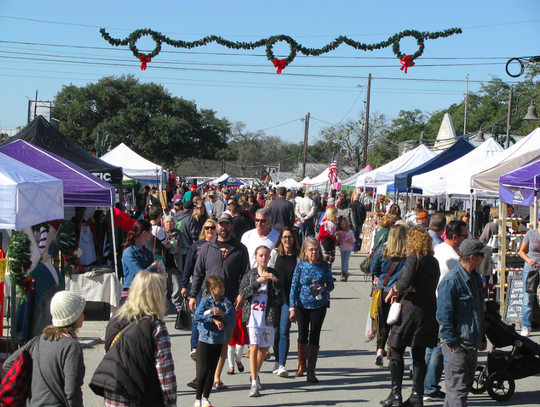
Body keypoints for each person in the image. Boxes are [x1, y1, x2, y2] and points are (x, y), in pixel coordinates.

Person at [90, 271, 177, 407]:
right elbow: (165, 373)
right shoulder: (156, 326)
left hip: (113, 390)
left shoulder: (115, 320)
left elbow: (109, 354)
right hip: (137, 395)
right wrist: (170, 403)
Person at [190, 213, 250, 390]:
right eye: (220, 225)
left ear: (231, 227)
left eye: (226, 225)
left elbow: (246, 274)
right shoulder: (207, 248)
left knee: (223, 339)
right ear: (216, 227)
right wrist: (193, 295)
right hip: (207, 301)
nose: (223, 227)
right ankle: (199, 376)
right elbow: (198, 272)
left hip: (229, 301)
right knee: (204, 339)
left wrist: (242, 294)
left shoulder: (240, 249)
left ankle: (216, 377)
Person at [382, 227, 440, 407]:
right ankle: (416, 394)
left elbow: (405, 281)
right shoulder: (433, 261)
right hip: (428, 310)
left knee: (396, 347)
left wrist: (393, 289)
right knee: (419, 352)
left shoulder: (414, 258)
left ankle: (396, 394)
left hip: (411, 309)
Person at [4, 291, 86, 407]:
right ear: (74, 315)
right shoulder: (71, 346)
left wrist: (33, 386)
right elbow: (72, 391)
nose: (84, 315)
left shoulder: (36, 341)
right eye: (84, 311)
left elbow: (8, 364)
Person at [437, 239, 488, 407]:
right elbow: (444, 316)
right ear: (472, 257)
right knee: (457, 390)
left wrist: (481, 337)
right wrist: (453, 344)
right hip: (457, 345)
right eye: (482, 255)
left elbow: (478, 310)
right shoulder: (451, 281)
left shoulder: (475, 277)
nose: (484, 259)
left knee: (462, 389)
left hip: (471, 342)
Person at [423, 220, 468, 403]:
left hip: (432, 300)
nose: (466, 239)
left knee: (431, 346)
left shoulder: (439, 248)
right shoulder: (453, 258)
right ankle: (430, 387)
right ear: (455, 237)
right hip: (442, 303)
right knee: (439, 348)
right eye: (464, 236)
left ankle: (424, 384)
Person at [289, 237, 335, 383]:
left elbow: (331, 285)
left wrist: (324, 288)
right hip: (302, 305)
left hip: (319, 305)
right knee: (303, 335)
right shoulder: (301, 266)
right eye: (311, 249)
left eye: (316, 249)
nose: (314, 252)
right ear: (305, 252)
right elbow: (294, 287)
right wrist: (292, 307)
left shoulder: (324, 265)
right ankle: (301, 365)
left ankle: (311, 370)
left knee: (315, 334)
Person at [239, 246, 282, 397]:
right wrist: (258, 282)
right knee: (254, 347)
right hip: (253, 317)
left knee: (264, 349)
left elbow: (279, 295)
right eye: (261, 255)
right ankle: (253, 383)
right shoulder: (250, 274)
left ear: (270, 257)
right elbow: (243, 293)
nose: (263, 258)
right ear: (256, 257)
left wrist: (275, 281)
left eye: (266, 255)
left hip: (267, 315)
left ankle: (255, 373)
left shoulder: (273, 273)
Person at [193, 276, 235, 407]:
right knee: (204, 370)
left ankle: (206, 398)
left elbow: (230, 320)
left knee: (212, 370)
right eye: (220, 287)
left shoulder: (226, 302)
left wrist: (222, 315)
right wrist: (213, 318)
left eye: (223, 286)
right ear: (212, 289)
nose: (223, 289)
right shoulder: (205, 301)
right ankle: (197, 399)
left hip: (218, 339)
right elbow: (197, 316)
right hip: (205, 338)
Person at [370, 225, 408, 367]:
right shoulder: (407, 254)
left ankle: (380, 349)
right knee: (396, 323)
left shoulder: (382, 251)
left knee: (383, 323)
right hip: (400, 292)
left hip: (383, 289)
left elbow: (374, 269)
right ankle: (392, 350)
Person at [268, 226, 301, 378]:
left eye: (290, 237)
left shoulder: (297, 257)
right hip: (274, 298)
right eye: (285, 237)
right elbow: (267, 272)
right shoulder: (275, 254)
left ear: (294, 239)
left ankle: (282, 364)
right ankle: (277, 359)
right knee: (274, 331)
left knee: (284, 330)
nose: (288, 240)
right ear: (281, 239)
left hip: (290, 299)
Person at [121, 220, 163, 301]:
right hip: (132, 292)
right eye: (150, 231)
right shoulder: (129, 252)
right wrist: (152, 266)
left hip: (147, 291)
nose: (151, 234)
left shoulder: (148, 252)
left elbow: (152, 275)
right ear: (144, 233)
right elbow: (139, 273)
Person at [518, 212, 540, 337]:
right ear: (538, 220)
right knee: (527, 299)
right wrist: (528, 259)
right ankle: (526, 325)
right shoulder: (530, 234)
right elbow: (521, 251)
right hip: (530, 269)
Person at [163, 215, 184, 312]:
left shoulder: (179, 234)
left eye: (171, 222)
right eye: (167, 221)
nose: (169, 223)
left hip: (175, 263)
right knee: (163, 286)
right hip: (163, 263)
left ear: (174, 223)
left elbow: (186, 249)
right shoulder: (160, 233)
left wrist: (177, 250)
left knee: (177, 285)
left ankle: (178, 306)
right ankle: (164, 304)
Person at [336, 216, 355, 282]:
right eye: (341, 224)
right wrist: (339, 241)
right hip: (342, 248)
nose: (342, 225)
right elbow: (338, 240)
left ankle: (345, 273)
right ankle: (342, 273)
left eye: (343, 224)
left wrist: (350, 240)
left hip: (348, 248)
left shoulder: (349, 231)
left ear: (346, 224)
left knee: (346, 261)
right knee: (342, 261)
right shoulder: (340, 232)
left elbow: (354, 239)